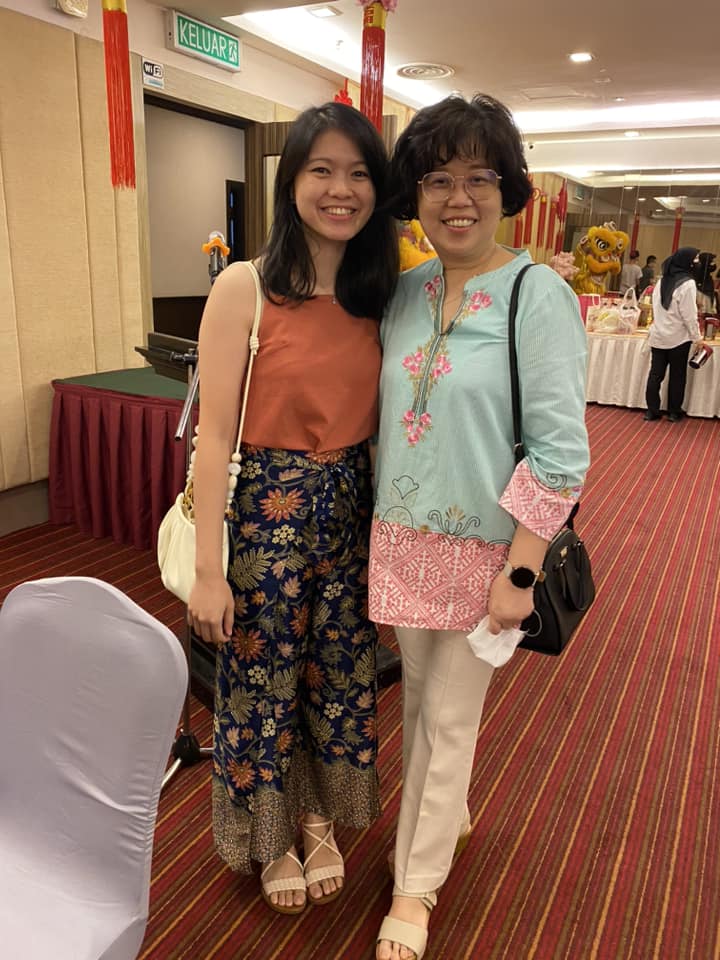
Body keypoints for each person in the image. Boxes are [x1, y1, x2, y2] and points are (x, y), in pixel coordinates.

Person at [369, 94, 590, 960]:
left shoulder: (538, 294)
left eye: (478, 178)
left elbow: (561, 456)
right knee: (420, 704)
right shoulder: (405, 291)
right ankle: (448, 812)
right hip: (403, 542)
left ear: (508, 191)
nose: (457, 198)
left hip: (490, 553)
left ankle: (413, 888)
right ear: (415, 196)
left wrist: (521, 572)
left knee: (448, 721)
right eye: (437, 180)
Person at [187, 102, 398, 915]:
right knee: (262, 682)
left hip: (350, 509)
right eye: (322, 171)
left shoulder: (380, 293)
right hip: (265, 517)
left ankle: (317, 819)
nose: (341, 189)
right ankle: (269, 835)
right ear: (292, 182)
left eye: (359, 174)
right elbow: (212, 438)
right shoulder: (245, 285)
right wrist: (210, 570)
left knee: (338, 676)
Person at [644, 247, 703, 422]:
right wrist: (697, 338)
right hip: (678, 338)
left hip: (658, 335)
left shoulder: (662, 281)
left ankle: (652, 411)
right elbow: (689, 315)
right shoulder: (688, 284)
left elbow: (656, 308)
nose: (697, 262)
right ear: (687, 262)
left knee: (655, 375)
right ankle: (674, 412)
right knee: (677, 376)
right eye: (696, 259)